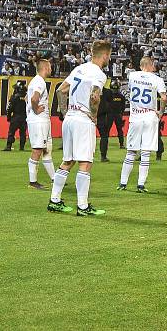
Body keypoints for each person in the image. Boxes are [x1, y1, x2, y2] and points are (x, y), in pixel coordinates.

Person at [47, 40, 111, 216]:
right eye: (109, 56)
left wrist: (65, 111)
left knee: (68, 160)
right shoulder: (99, 74)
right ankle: (82, 206)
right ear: (105, 55)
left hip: (70, 119)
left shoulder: (79, 69)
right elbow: (94, 97)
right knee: (85, 162)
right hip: (83, 120)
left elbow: (61, 90)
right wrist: (94, 115)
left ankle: (54, 200)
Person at [117, 57, 166, 193]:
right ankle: (140, 185)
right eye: (153, 65)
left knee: (131, 152)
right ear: (150, 65)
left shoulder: (132, 76)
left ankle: (123, 183)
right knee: (145, 152)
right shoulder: (157, 80)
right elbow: (163, 97)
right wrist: (161, 112)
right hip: (150, 117)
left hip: (136, 117)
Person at [26, 59, 55, 190]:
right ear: (45, 68)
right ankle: (33, 182)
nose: (51, 69)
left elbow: (28, 98)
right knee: (38, 150)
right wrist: (36, 109)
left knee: (46, 150)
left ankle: (55, 179)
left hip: (41, 120)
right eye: (50, 67)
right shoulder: (39, 81)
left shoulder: (36, 81)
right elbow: (33, 98)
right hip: (39, 121)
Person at [97, 80, 126, 162]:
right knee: (107, 132)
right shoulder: (110, 94)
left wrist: (121, 113)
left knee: (119, 130)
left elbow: (123, 107)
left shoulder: (119, 96)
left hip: (115, 114)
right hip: (111, 114)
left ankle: (121, 144)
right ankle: (112, 145)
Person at [3, 81, 27, 152]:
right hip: (24, 117)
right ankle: (22, 147)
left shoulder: (14, 97)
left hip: (16, 117)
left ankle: (8, 146)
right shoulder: (27, 97)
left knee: (11, 132)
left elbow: (9, 108)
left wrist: (8, 117)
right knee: (23, 133)